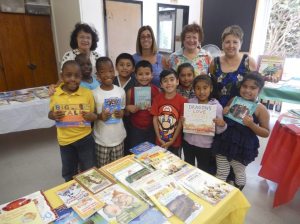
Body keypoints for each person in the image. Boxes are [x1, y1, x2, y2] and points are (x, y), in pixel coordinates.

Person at [213, 72, 270, 190]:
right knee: (222, 170)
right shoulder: (234, 99)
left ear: (259, 90)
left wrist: (252, 125)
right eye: (244, 86)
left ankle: (237, 192)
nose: (247, 90)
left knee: (239, 172)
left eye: (253, 88)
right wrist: (225, 111)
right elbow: (225, 118)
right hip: (225, 141)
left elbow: (266, 132)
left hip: (243, 146)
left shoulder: (260, 109)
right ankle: (218, 193)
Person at [48, 60, 97, 181]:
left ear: (81, 77)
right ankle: (72, 193)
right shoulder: (55, 94)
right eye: (68, 75)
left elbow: (94, 114)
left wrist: (92, 117)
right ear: (62, 76)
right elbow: (50, 113)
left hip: (85, 138)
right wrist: (53, 115)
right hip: (65, 141)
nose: (73, 79)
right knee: (69, 171)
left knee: (89, 169)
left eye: (77, 75)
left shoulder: (87, 94)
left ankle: (89, 192)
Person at [182, 75, 227, 174]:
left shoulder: (216, 106)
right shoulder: (190, 103)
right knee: (188, 168)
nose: (201, 92)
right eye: (198, 88)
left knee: (203, 171)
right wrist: (183, 122)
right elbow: (185, 124)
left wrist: (222, 124)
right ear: (194, 89)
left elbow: (219, 131)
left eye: (205, 88)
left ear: (211, 88)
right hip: (188, 143)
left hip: (205, 147)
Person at [209, 25, 257, 108]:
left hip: (241, 114)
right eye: (227, 42)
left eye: (235, 42)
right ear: (222, 44)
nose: (231, 45)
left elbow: (256, 86)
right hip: (218, 112)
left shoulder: (249, 62)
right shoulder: (214, 63)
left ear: (240, 44)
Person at [93, 57, 126, 168]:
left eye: (111, 71)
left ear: (114, 71)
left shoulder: (120, 91)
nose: (108, 74)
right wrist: (99, 116)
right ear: (97, 75)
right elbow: (91, 115)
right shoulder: (94, 93)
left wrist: (122, 113)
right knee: (102, 169)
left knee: (117, 168)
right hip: (101, 140)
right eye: (103, 72)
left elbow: (123, 109)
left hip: (118, 138)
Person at [151, 69, 187, 156]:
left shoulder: (183, 101)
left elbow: (180, 123)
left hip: (175, 142)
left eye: (172, 79)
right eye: (165, 81)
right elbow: (155, 119)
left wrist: (173, 140)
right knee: (159, 162)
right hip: (160, 141)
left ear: (177, 81)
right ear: (161, 84)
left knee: (174, 166)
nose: (169, 83)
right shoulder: (157, 99)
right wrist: (159, 138)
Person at [126, 60, 160, 148]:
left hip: (152, 128)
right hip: (136, 129)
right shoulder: (130, 92)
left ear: (152, 75)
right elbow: (126, 112)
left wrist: (154, 109)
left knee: (151, 153)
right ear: (136, 76)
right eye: (140, 74)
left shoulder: (157, 91)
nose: (144, 77)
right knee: (136, 153)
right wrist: (128, 108)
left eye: (147, 73)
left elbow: (161, 110)